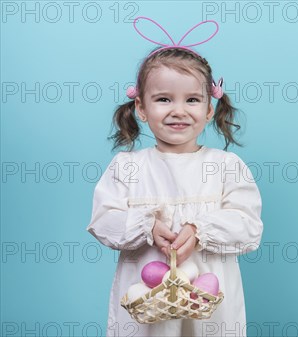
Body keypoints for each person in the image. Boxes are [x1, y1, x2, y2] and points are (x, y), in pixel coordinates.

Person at [86, 16, 263, 337]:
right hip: (147, 313)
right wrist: (146, 225)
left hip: (211, 311)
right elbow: (103, 222)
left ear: (210, 109)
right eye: (164, 99)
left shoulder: (227, 165)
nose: (178, 110)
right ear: (141, 107)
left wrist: (200, 229)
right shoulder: (127, 167)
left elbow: (248, 228)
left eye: (192, 100)